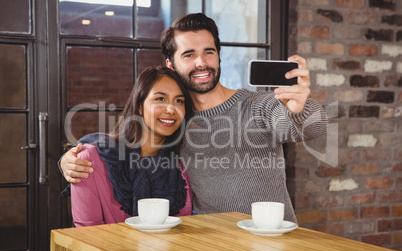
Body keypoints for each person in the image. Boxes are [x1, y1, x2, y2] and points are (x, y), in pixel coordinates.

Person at [60, 13, 328, 224]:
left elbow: (313, 127)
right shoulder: (173, 123)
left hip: (273, 243)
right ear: (171, 64)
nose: (201, 62)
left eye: (208, 52)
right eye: (189, 54)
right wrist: (72, 158)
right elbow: (128, 147)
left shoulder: (258, 105)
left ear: (218, 55)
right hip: (209, 248)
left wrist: (300, 106)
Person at [68, 66, 194, 227]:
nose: (171, 109)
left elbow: (183, 228)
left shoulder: (180, 167)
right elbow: (86, 233)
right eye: (160, 99)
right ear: (140, 106)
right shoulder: (89, 160)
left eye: (179, 101)